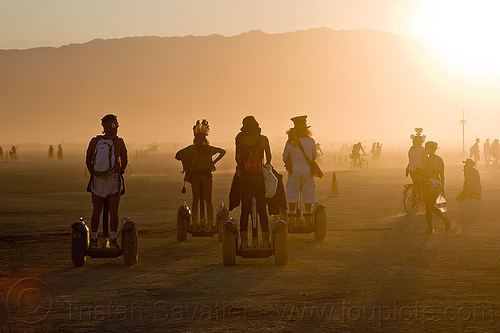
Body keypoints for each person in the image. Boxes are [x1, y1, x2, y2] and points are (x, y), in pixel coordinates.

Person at [85, 114, 128, 249]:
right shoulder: (119, 142)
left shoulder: (95, 141)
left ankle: (93, 240)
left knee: (96, 211)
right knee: (113, 212)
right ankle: (113, 240)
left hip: (98, 181)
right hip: (112, 181)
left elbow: (88, 161)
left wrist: (96, 174)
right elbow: (125, 161)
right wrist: (118, 172)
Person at [175, 119, 226, 230]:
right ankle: (209, 224)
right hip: (207, 176)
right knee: (208, 200)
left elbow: (178, 155)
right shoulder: (208, 149)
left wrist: (187, 163)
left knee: (195, 200)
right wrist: (213, 162)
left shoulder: (191, 149)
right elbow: (223, 151)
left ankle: (194, 223)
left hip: (196, 177)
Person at [235, 116, 271, 249]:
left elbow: (237, 158)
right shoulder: (263, 139)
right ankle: (265, 241)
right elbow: (269, 159)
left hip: (245, 177)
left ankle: (244, 242)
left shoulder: (239, 138)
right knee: (262, 208)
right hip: (259, 177)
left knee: (245, 209)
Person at [283, 115, 318, 228]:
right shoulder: (311, 141)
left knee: (292, 193)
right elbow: (314, 156)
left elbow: (284, 157)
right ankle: (308, 217)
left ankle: (292, 217)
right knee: (308, 193)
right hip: (307, 170)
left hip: (294, 171)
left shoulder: (291, 142)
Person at [422, 141, 451, 234]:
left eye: (427, 148)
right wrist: (442, 186)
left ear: (430, 149)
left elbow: (428, 173)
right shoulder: (439, 159)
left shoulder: (428, 160)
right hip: (437, 184)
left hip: (430, 184)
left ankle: (432, 228)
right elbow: (442, 174)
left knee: (428, 207)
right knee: (431, 206)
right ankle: (445, 220)